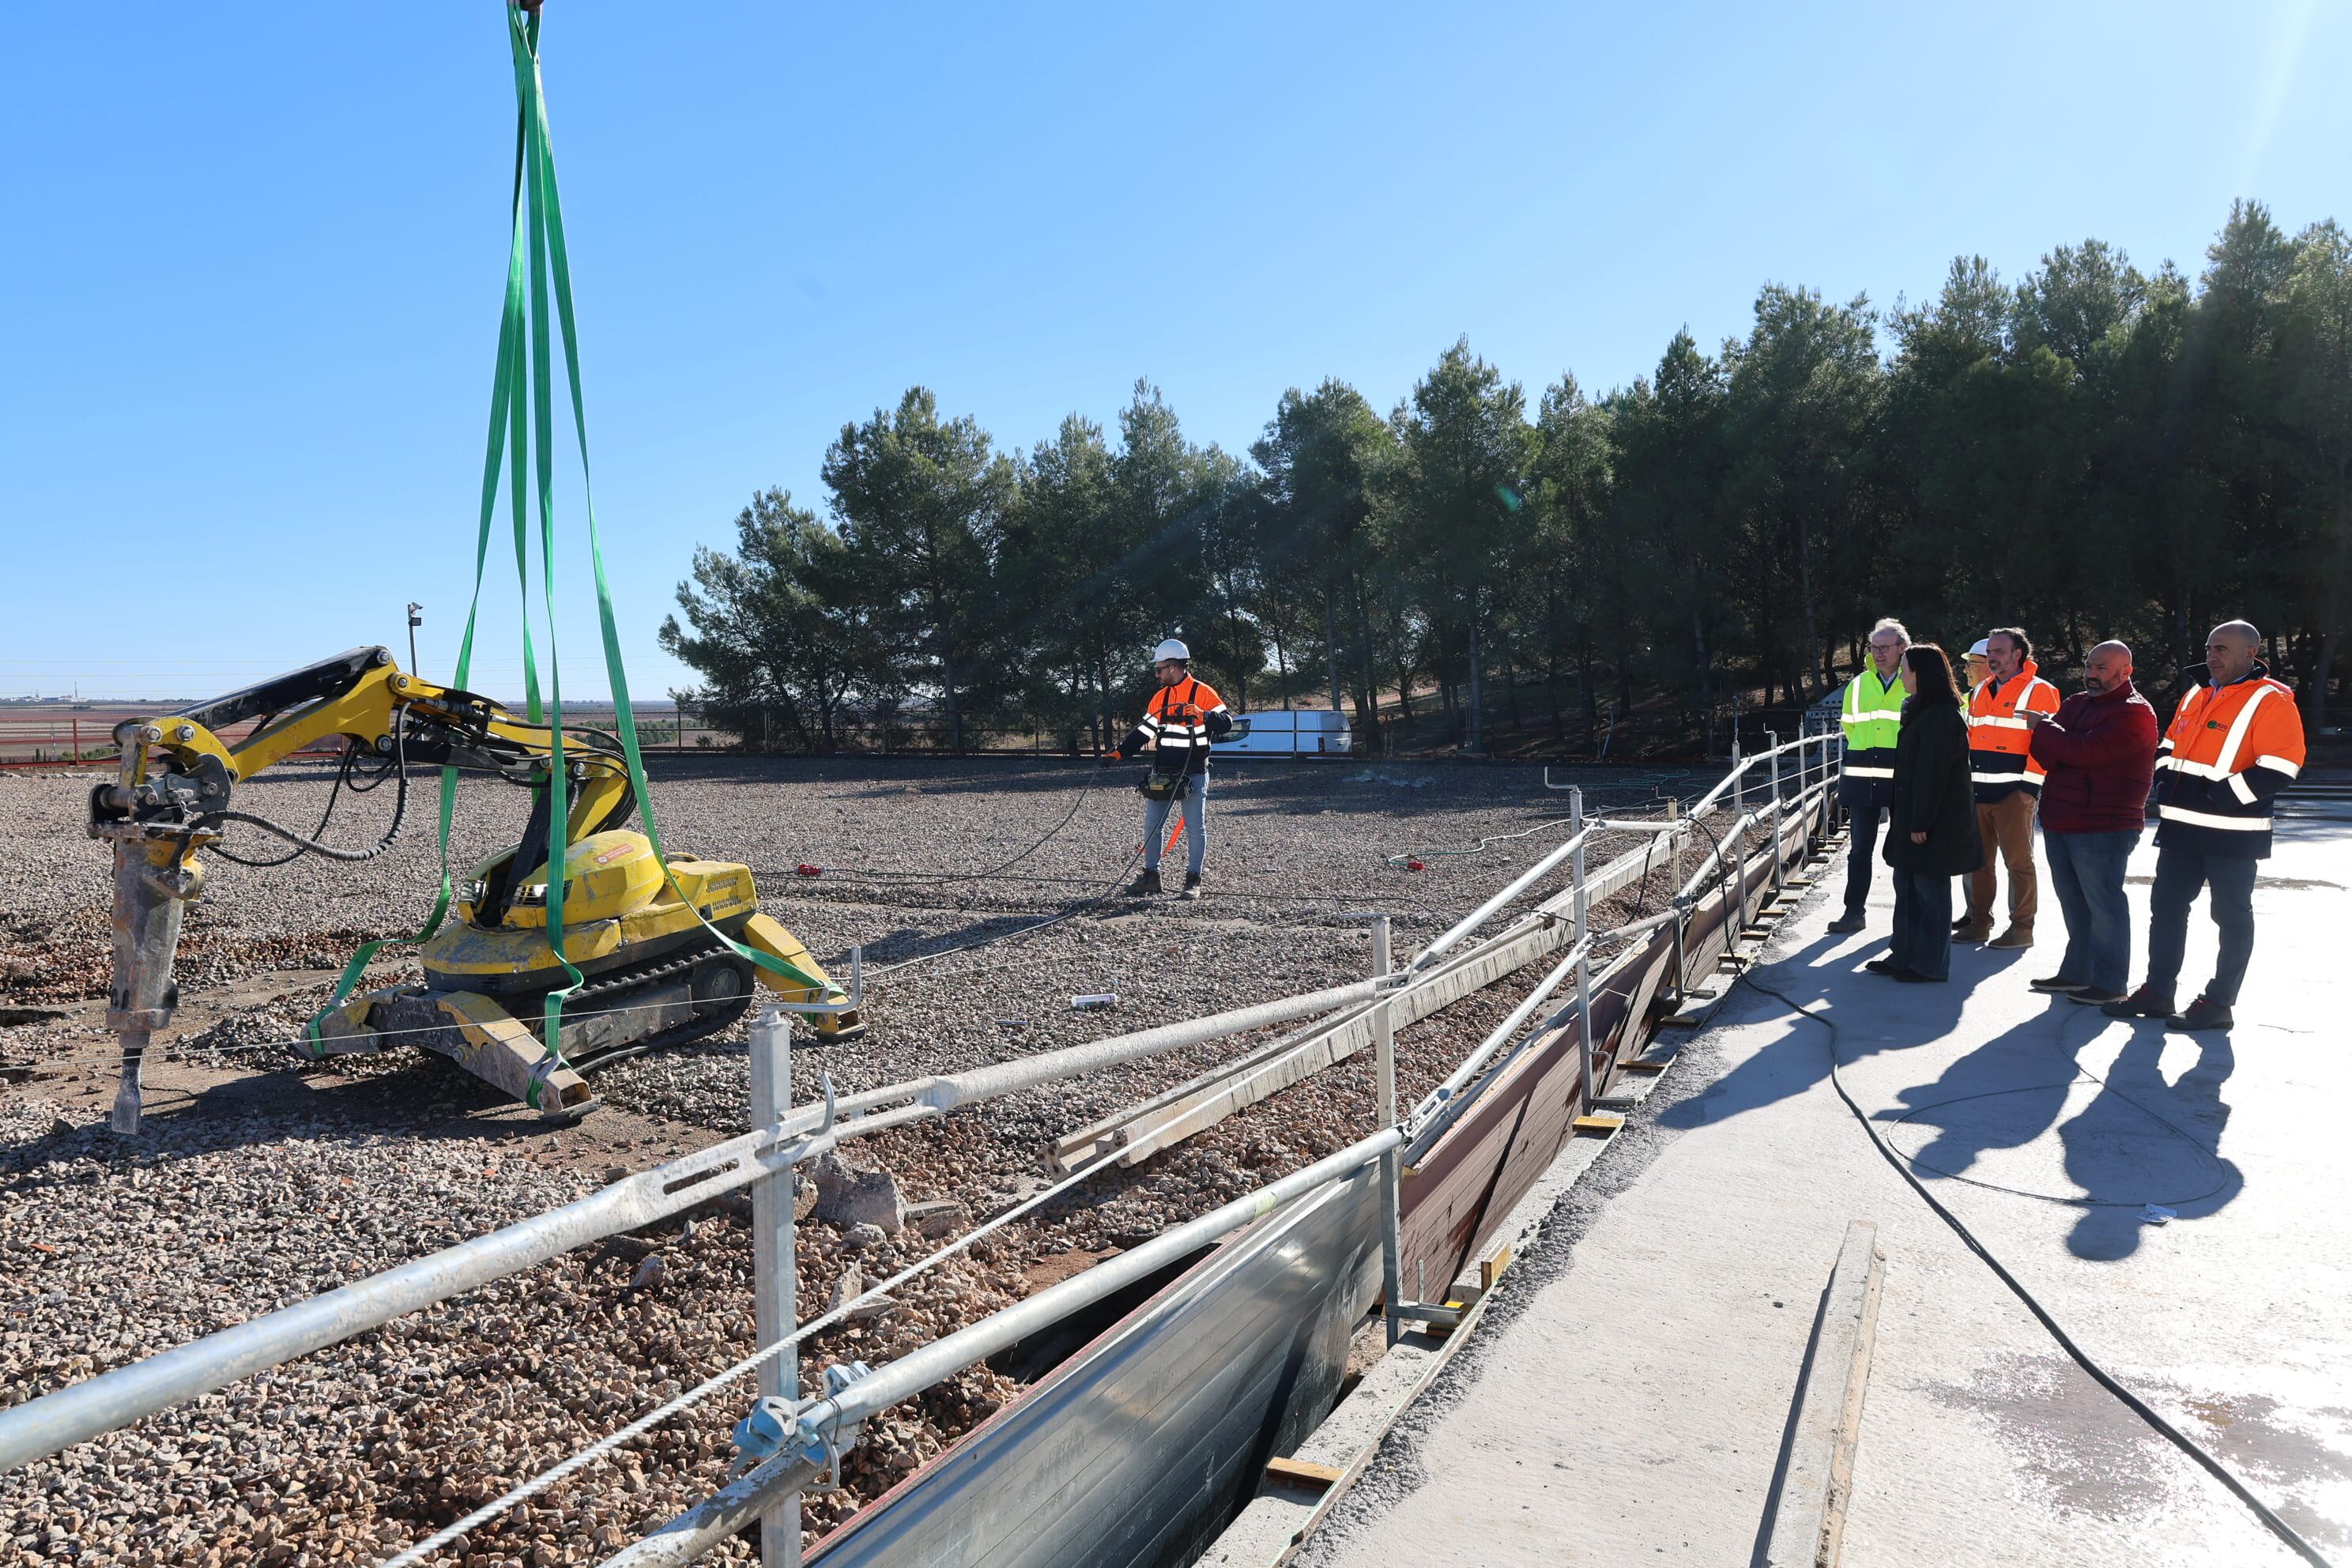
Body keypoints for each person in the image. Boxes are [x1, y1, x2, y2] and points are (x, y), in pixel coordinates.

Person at [2105, 620, 2305, 1030]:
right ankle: (2158, 993)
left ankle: (2218, 1003)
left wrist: (2219, 797)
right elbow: (2168, 745)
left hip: (2233, 834)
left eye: (2222, 649)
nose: (2212, 656)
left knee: (2231, 918)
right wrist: (2165, 781)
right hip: (2181, 830)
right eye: (2210, 648)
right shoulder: (2197, 692)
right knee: (2166, 910)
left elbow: (2282, 766)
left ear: (2251, 653)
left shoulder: (2271, 699)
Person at [2022, 641, 2158, 1005]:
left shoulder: (2135, 713)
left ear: (2126, 672)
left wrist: (2047, 730)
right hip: (2062, 819)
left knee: (2104, 906)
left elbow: (2086, 753)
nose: (2090, 674)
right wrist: (2062, 742)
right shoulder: (2075, 704)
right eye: (2088, 666)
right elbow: (2050, 754)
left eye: (2101, 668)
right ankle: (2077, 974)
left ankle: (2110, 984)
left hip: (2104, 826)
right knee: (2074, 903)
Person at [1872, 643, 1981, 982]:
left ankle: (1931, 965)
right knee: (1906, 888)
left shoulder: (1941, 716)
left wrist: (1921, 822)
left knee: (1930, 893)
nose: (1900, 676)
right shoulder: (1920, 709)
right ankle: (1903, 955)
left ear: (1921, 674)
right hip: (1912, 817)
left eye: (1905, 670)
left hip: (1932, 823)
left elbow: (1932, 774)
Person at [1105, 638, 1232, 899]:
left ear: (1173, 667)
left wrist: (1204, 715)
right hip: (1163, 773)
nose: (1157, 674)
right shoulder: (1160, 698)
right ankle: (1151, 877)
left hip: (1193, 773)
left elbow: (1227, 723)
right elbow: (1142, 733)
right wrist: (1118, 753)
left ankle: (1193, 881)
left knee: (1195, 827)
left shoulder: (1203, 693)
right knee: (1152, 826)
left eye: (1159, 669)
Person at [1959, 627, 2061, 948]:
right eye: (1990, 652)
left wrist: (2028, 789)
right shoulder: (1980, 690)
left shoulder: (2041, 690)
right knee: (1978, 862)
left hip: (2014, 794)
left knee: (2018, 863)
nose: (1992, 657)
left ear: (2018, 654)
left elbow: (2047, 743)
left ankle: (2021, 929)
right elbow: (1971, 739)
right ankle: (1979, 923)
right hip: (1978, 792)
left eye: (1999, 652)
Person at [1828, 618, 1909, 933]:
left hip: (1902, 776)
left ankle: (1906, 916)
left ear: (1902, 648)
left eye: (1884, 647)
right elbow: (1849, 725)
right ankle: (1853, 913)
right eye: (1874, 647)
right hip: (1862, 775)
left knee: (1904, 850)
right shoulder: (1859, 684)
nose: (1878, 653)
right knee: (1859, 850)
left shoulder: (1913, 680)